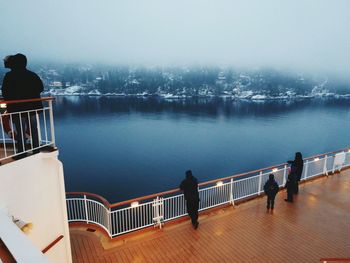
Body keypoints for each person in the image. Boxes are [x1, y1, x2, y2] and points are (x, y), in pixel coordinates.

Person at [1, 53, 44, 159]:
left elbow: (5, 92)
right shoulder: (32, 75)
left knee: (20, 130)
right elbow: (40, 88)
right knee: (34, 129)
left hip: (17, 108)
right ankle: (36, 150)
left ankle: (22, 152)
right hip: (33, 107)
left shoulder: (9, 76)